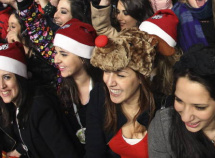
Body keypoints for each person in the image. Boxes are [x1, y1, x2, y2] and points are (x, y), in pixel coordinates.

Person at [0, 42, 81, 157]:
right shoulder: (15, 105)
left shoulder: (39, 106)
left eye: (7, 77)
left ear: (20, 77)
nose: (1, 85)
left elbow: (66, 153)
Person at [86, 28, 158, 158]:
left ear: (142, 77)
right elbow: (94, 153)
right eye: (106, 71)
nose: (109, 82)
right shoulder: (99, 96)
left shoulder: (161, 109)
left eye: (120, 75)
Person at [53, 19, 102, 148]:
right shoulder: (63, 91)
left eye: (63, 54)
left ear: (83, 57)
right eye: (56, 52)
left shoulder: (104, 87)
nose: (56, 60)